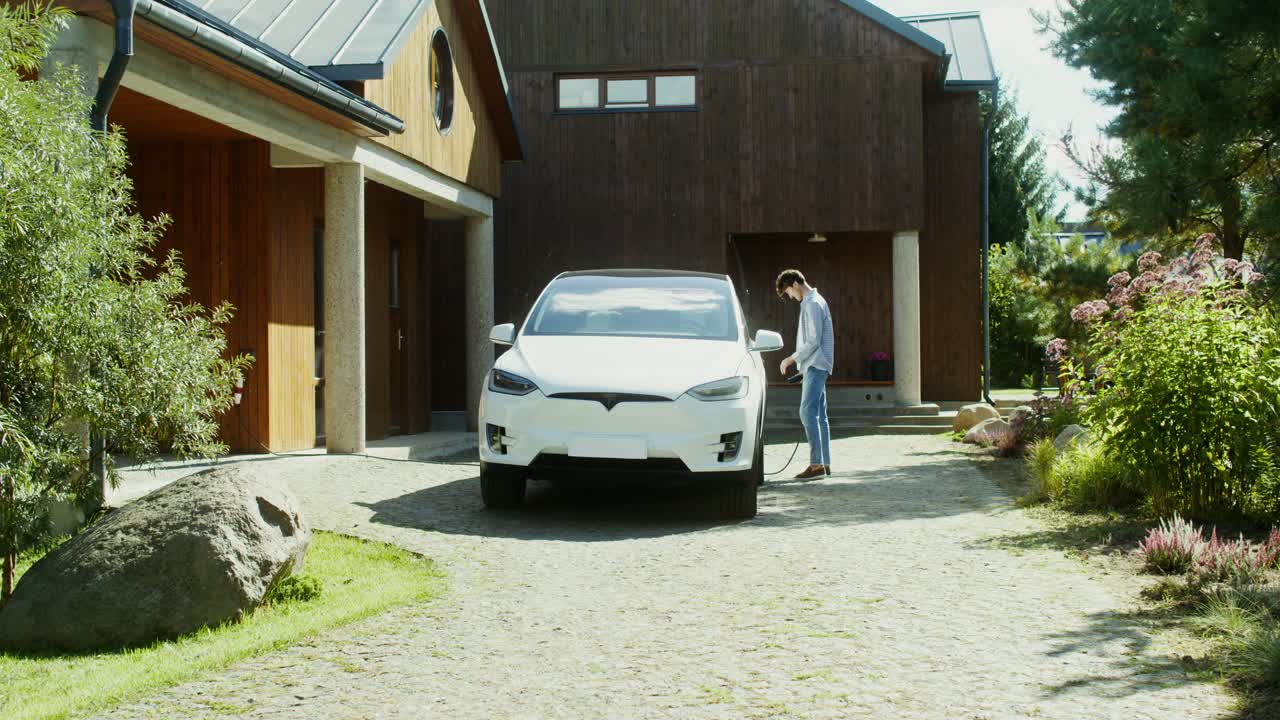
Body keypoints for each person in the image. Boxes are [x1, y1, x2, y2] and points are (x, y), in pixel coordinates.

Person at [776, 269, 834, 479]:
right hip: (815, 364)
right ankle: (824, 464)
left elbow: (813, 340)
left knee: (806, 412)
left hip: (816, 365)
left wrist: (791, 359)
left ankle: (817, 465)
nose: (790, 296)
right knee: (820, 416)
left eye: (789, 292)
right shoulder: (814, 301)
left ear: (796, 284)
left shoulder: (812, 304)